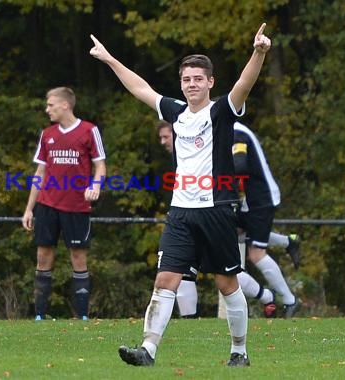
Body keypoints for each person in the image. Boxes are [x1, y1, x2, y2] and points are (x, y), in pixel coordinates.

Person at [90, 23, 272, 367]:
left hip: (216, 209)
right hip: (181, 212)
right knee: (165, 279)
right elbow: (140, 88)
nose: (192, 85)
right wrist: (110, 59)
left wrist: (259, 52)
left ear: (210, 82)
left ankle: (239, 351)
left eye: (198, 79)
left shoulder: (221, 111)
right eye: (187, 79)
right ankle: (147, 350)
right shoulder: (175, 111)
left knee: (226, 282)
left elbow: (244, 85)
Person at [157, 121, 278, 319]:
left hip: (214, 216)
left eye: (166, 136)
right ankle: (189, 323)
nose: (163, 141)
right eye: (160, 137)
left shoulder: (207, 144)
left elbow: (234, 171)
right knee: (181, 270)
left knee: (226, 275)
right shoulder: (180, 155)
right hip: (186, 218)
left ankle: (265, 299)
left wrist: (231, 208)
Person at [22, 87, 106, 321]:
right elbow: (40, 171)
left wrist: (95, 186)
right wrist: (30, 208)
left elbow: (100, 164)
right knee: (43, 256)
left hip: (77, 206)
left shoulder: (89, 131)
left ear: (65, 105)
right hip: (48, 205)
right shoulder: (47, 134)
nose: (47, 109)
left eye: (50, 105)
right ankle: (39, 314)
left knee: (78, 258)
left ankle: (82, 316)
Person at [233, 122, 301, 318]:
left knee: (256, 254)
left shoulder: (236, 133)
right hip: (252, 199)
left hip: (261, 200)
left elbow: (239, 165)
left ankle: (290, 300)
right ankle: (289, 241)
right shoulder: (236, 130)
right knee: (236, 231)